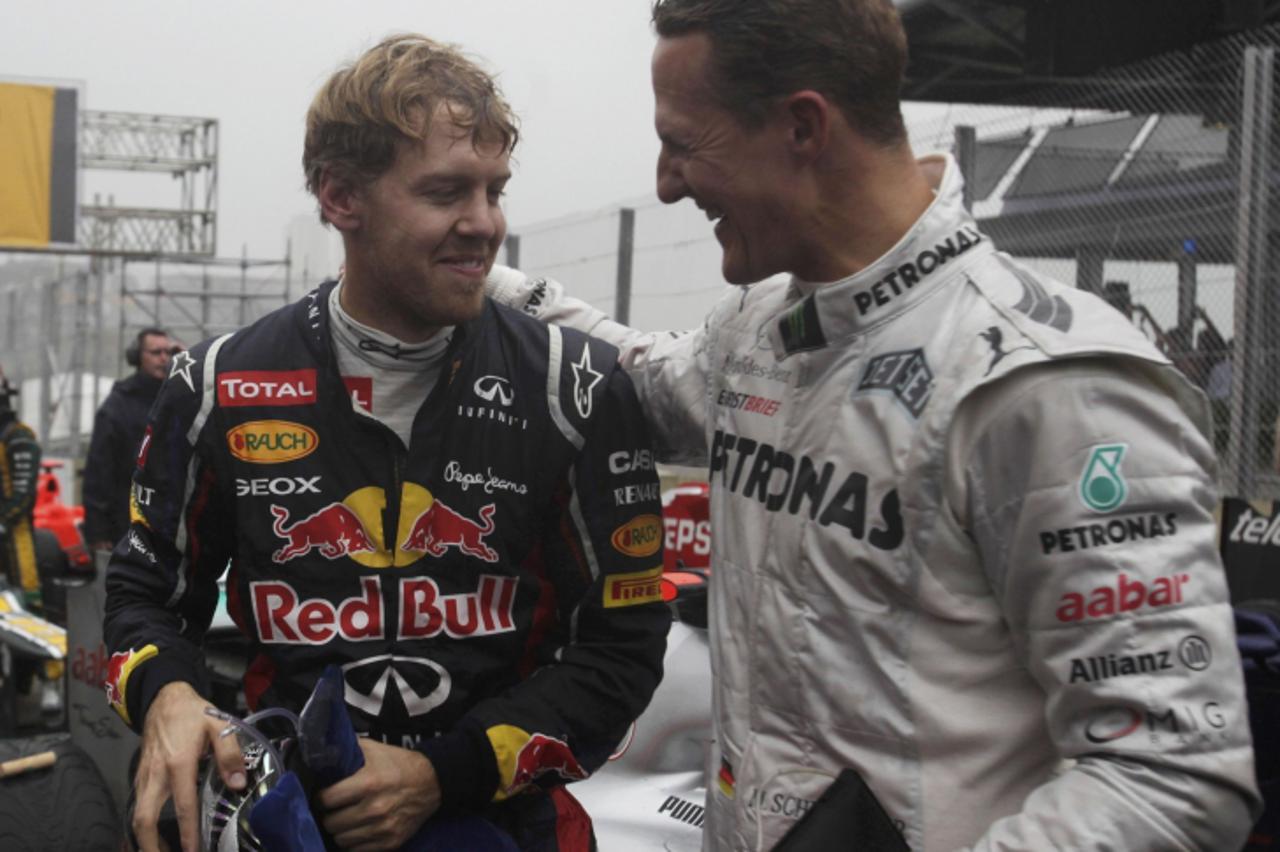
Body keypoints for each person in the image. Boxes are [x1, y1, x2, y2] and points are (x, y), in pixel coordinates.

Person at [484, 1, 1261, 848]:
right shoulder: (762, 332)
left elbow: (1170, 780)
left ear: (803, 127)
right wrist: (476, 269)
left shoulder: (1047, 382)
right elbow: (631, 382)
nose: (669, 182)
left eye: (684, 142)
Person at [103, 34, 669, 852]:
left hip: (502, 820)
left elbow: (623, 644)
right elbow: (144, 590)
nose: (484, 224)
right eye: (446, 192)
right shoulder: (219, 383)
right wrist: (166, 694)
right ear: (341, 197)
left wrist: (444, 773)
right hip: (289, 817)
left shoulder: (575, 386)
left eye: (495, 190)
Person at [82, 327, 176, 552]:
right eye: (156, 352)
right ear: (137, 357)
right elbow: (99, 472)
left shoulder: (178, 397)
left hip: (170, 521)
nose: (164, 358)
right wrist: (98, 532)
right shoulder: (118, 405)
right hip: (127, 523)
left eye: (168, 352)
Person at [0, 373, 41, 607]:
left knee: (26, 603)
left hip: (16, 540)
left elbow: (22, 497)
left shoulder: (18, 436)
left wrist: (3, 521)